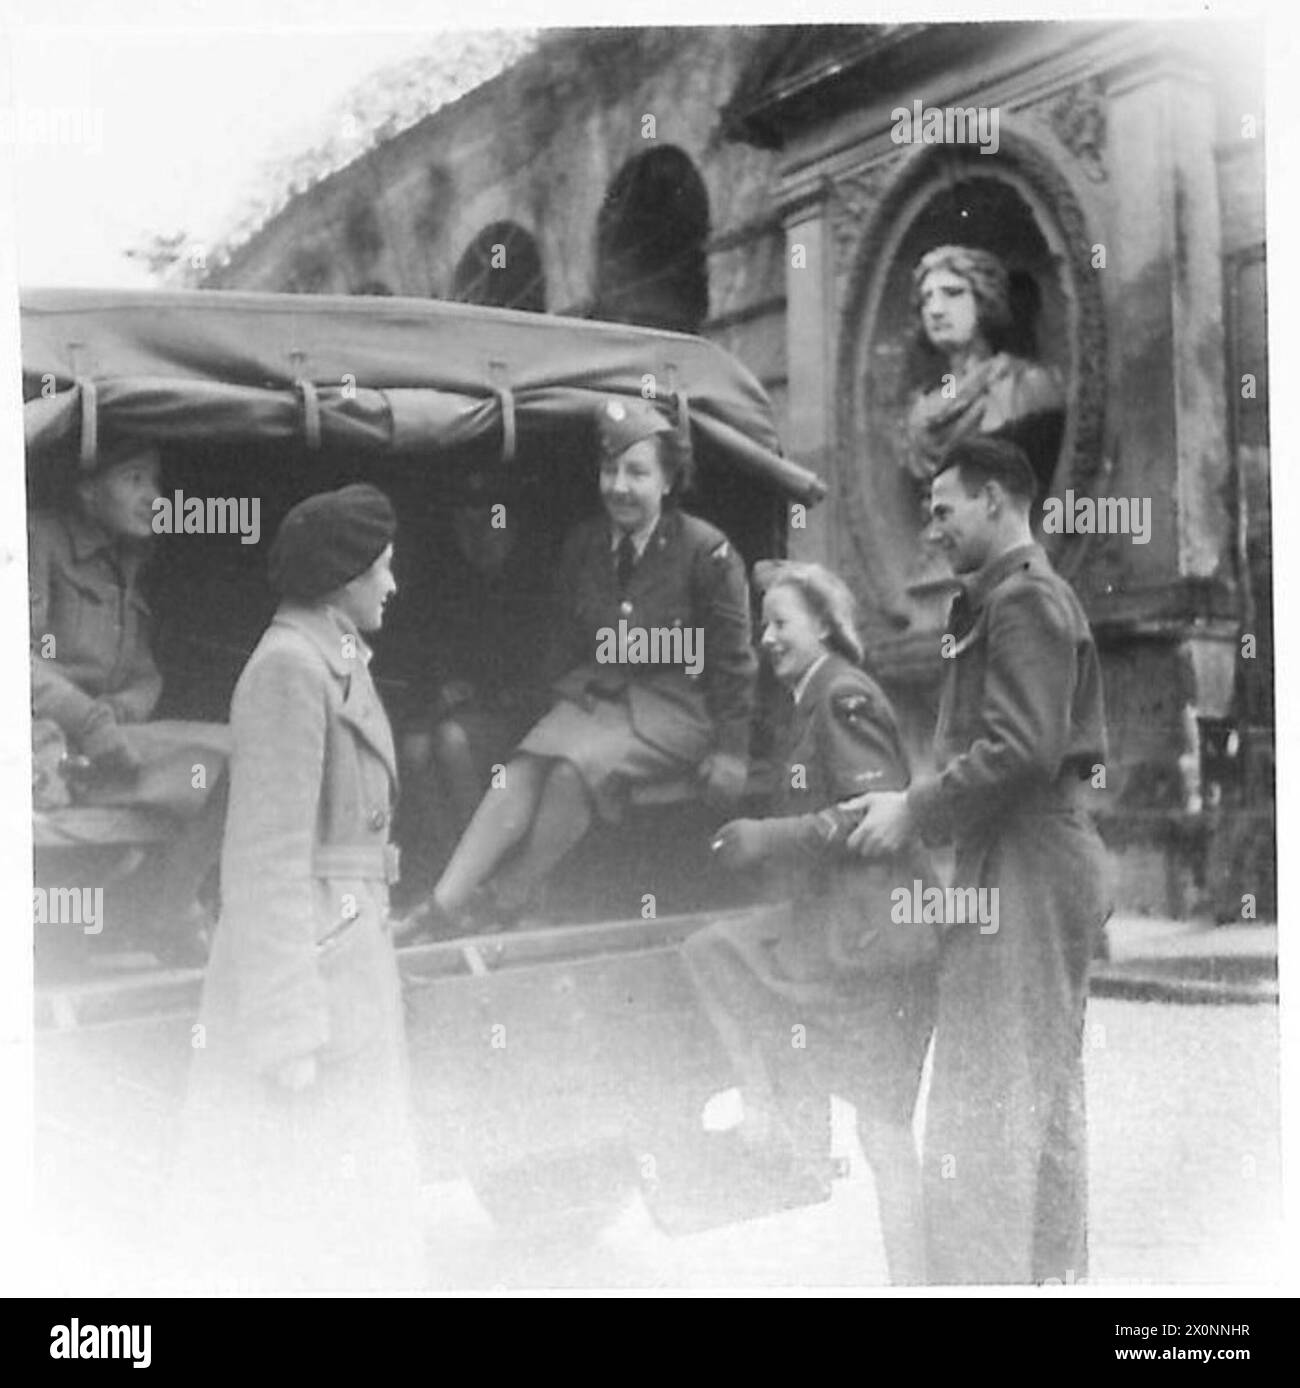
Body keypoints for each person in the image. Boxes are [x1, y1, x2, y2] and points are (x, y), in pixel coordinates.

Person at [846, 435, 1111, 1285]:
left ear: (997, 500)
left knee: (991, 1101)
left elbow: (1023, 747)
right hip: (1023, 854)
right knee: (1029, 1091)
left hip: (1027, 858)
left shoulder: (1025, 602)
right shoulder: (1000, 601)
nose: (933, 529)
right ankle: (1038, 1280)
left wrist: (914, 811)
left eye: (944, 508)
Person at [173, 483, 423, 1293]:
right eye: (381, 568)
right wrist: (285, 1031)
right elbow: (264, 863)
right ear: (341, 577)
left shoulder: (328, 655)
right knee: (293, 1221)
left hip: (343, 959)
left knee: (344, 1216)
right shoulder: (289, 668)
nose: (392, 584)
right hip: (311, 978)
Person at [404, 396, 757, 934]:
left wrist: (732, 751)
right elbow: (563, 642)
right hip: (593, 698)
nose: (619, 486)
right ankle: (443, 905)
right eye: (610, 470)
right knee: (526, 764)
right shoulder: (584, 543)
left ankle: (509, 892)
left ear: (668, 481)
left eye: (636, 473)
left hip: (675, 710)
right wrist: (555, 702)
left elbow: (734, 659)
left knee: (573, 771)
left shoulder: (706, 551)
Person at [682, 561, 937, 1284]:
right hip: (856, 933)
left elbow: (871, 819)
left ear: (824, 624)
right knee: (886, 1138)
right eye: (762, 625)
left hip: (876, 942)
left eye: (781, 623)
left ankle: (776, 1119)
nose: (766, 638)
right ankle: (787, 1123)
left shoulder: (842, 696)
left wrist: (768, 838)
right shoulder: (815, 696)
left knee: (887, 1137)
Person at [28, 438, 230, 959]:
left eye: (155, 482)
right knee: (217, 769)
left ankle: (166, 909)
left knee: (247, 755)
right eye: (133, 479)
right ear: (87, 491)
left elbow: (145, 673)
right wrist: (93, 720)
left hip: (105, 743)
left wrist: (123, 710)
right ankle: (164, 916)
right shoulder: (36, 538)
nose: (153, 497)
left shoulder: (128, 559)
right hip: (41, 748)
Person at [904, 244, 1065, 494]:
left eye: (953, 293)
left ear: (983, 300)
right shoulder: (923, 409)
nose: (935, 310)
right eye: (927, 299)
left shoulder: (1025, 384)